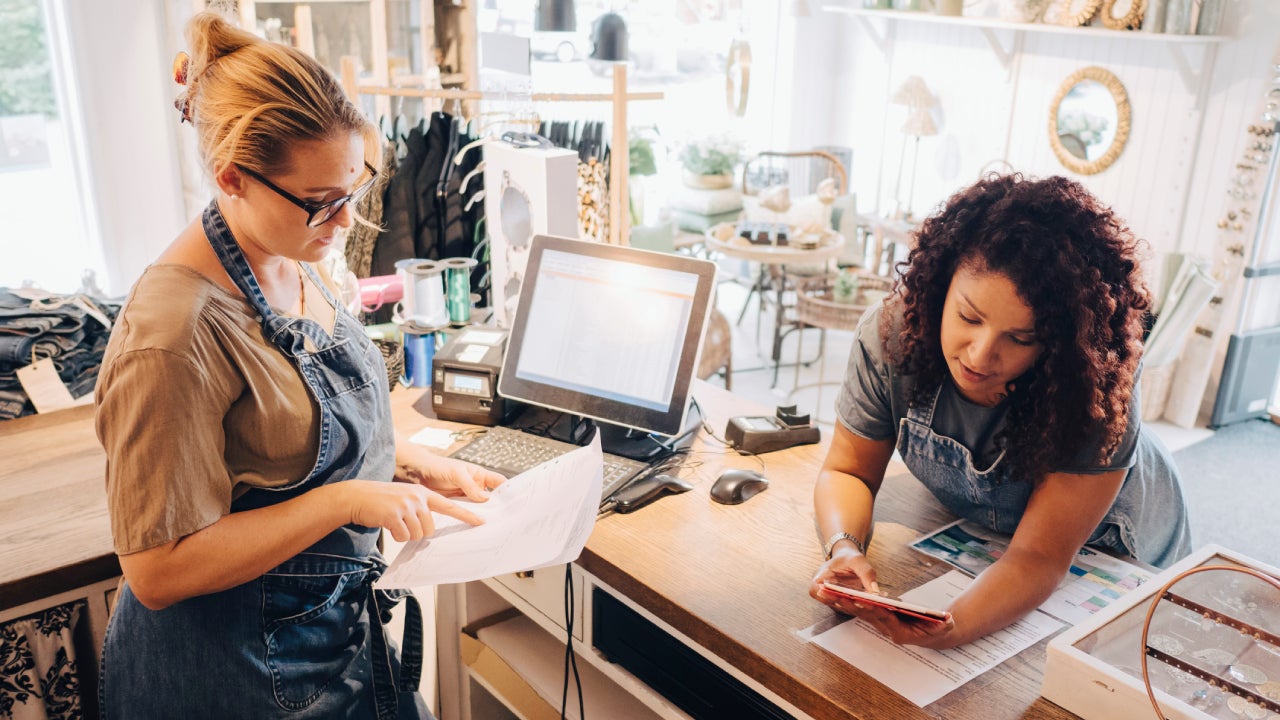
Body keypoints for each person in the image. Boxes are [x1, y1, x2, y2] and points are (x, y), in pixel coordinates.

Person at [93, 12, 504, 718]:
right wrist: (346, 500)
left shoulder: (287, 251)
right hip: (234, 677)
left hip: (327, 637)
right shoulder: (172, 337)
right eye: (322, 203)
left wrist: (399, 460)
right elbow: (156, 569)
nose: (345, 222)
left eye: (355, 188)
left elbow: (275, 435)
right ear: (234, 178)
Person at [809, 174, 1191, 649]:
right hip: (997, 539)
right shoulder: (892, 335)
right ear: (940, 286)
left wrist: (954, 625)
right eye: (969, 317)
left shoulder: (1091, 386)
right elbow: (849, 471)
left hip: (1120, 548)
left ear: (1057, 344)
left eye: (1021, 338)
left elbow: (1038, 557)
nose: (980, 356)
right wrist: (843, 546)